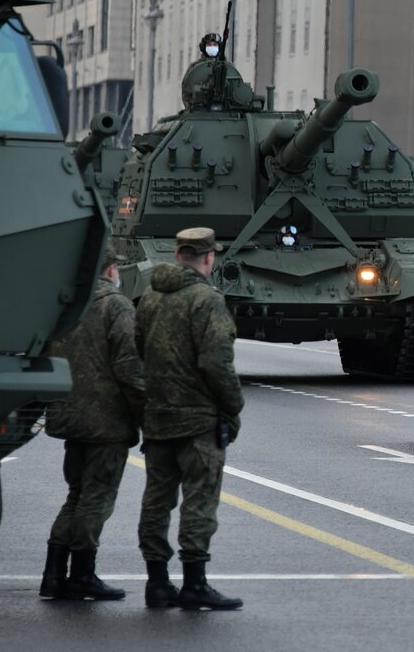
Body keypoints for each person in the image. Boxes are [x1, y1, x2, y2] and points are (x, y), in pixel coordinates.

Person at [137, 227, 244, 611]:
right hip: (198, 419)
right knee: (199, 501)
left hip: (158, 416)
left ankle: (157, 582)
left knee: (156, 501)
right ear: (209, 258)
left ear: (178, 254)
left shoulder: (149, 298)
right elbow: (217, 363)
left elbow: (138, 353)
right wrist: (232, 409)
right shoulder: (206, 300)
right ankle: (195, 583)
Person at [41, 242, 145, 601]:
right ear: (112, 268)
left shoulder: (64, 306)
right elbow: (131, 370)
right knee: (96, 499)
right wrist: (146, 416)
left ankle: (53, 574)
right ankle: (82, 574)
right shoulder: (117, 306)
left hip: (70, 417)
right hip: (107, 422)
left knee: (75, 495)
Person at [180, 33, 223, 110]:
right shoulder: (195, 67)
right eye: (209, 45)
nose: (212, 47)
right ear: (203, 47)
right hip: (199, 109)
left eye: (215, 45)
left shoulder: (227, 66)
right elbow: (186, 91)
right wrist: (190, 108)